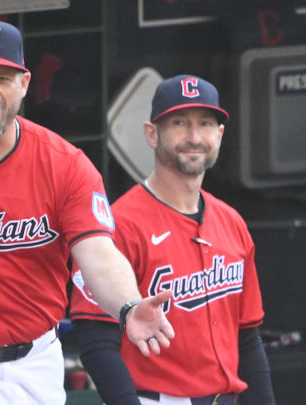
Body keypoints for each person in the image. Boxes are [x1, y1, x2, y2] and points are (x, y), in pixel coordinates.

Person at [0, 18, 175, 405]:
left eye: (3, 77)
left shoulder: (64, 164)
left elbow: (98, 254)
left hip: (39, 359)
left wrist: (128, 306)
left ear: (24, 84)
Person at [70, 74, 276, 405]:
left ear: (219, 135)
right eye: (179, 123)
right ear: (152, 134)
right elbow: (96, 338)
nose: (194, 137)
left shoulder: (232, 222)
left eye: (206, 124)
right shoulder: (119, 224)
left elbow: (248, 337)